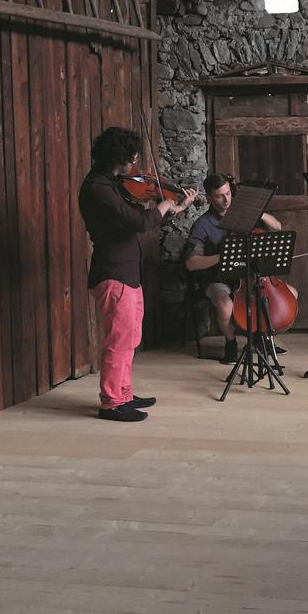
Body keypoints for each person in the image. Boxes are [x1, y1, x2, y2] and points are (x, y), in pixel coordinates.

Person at [78, 127, 196, 421]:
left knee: (130, 337)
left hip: (128, 272)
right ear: (116, 157)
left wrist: (175, 207)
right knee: (117, 341)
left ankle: (124, 394)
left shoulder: (112, 184)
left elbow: (143, 217)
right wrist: (163, 205)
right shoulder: (98, 189)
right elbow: (139, 221)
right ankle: (111, 403)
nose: (134, 163)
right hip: (113, 272)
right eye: (131, 157)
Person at [184, 173, 285, 364]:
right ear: (209, 198)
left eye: (228, 193)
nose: (226, 200)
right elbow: (191, 263)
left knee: (286, 296)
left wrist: (258, 212)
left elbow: (277, 227)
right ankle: (230, 342)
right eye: (219, 196)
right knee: (225, 306)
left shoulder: (244, 215)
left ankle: (261, 338)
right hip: (218, 278)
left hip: (248, 277)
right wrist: (221, 257)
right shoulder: (203, 225)